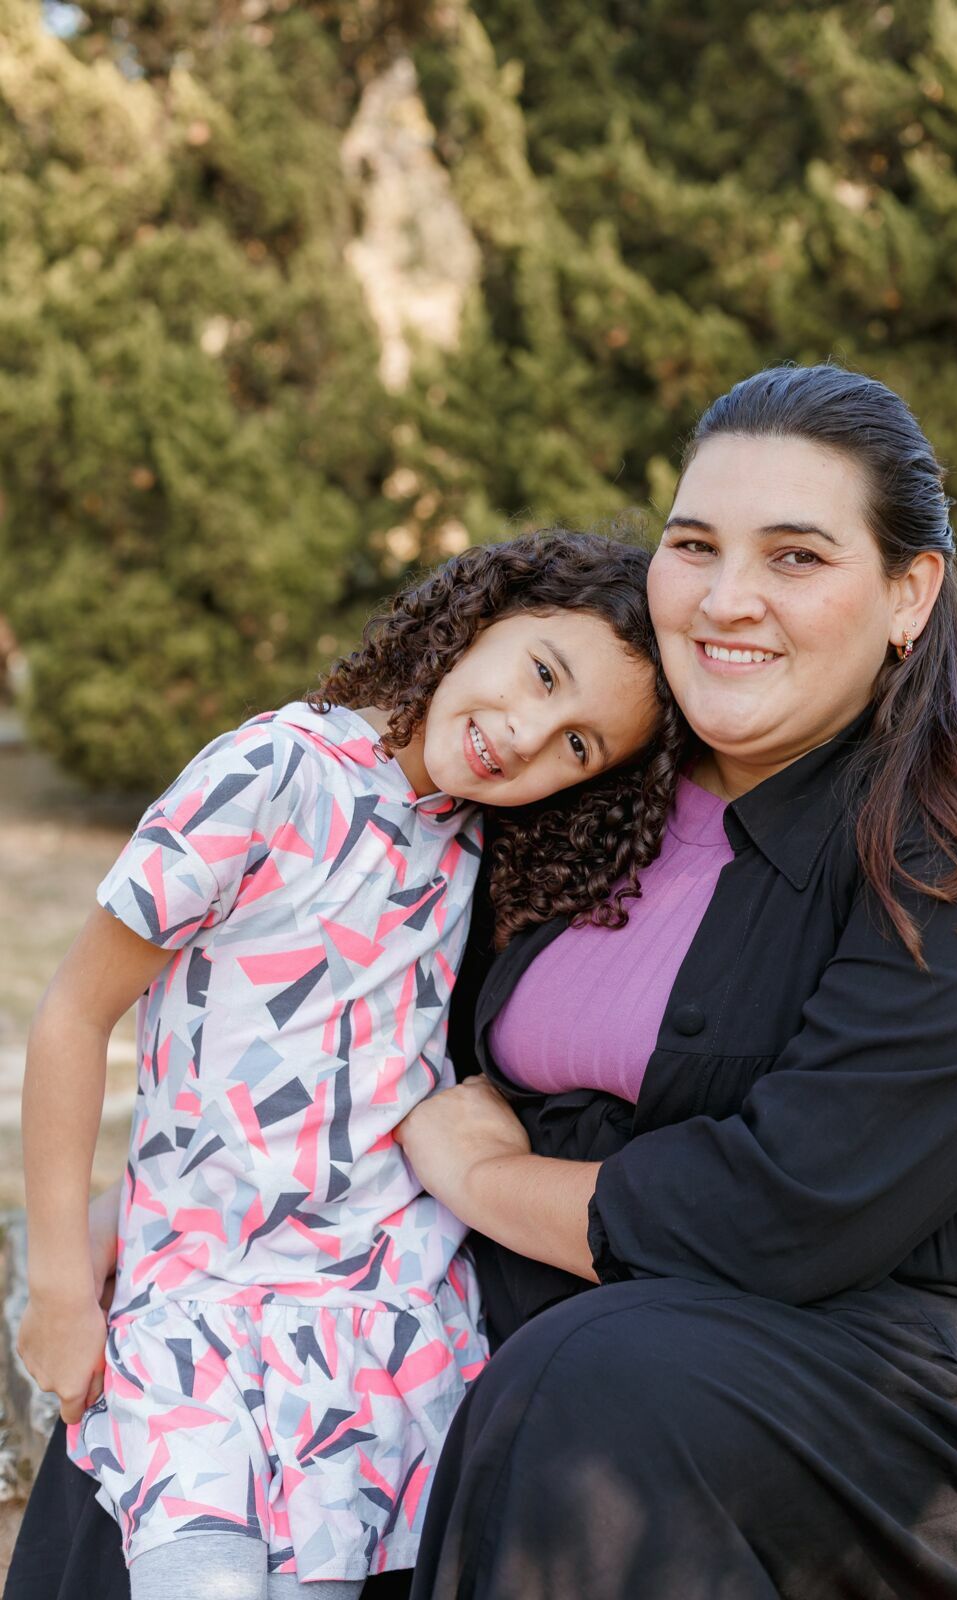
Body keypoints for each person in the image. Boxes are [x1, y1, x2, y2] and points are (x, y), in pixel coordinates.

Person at [392, 365, 957, 1598]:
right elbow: (395, 1025)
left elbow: (787, 1213)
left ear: (908, 593)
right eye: (692, 544)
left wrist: (483, 1177)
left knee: (598, 1380)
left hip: (930, 1369)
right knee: (232, 1348)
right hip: (611, 1301)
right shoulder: (600, 774)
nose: (723, 598)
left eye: (795, 557)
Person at [13, 529, 680, 1600]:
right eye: (542, 672)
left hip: (369, 1309)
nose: (527, 730)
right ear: (485, 609)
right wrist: (55, 1281)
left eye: (577, 745)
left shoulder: (467, 846)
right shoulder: (271, 772)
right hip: (202, 1298)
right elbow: (72, 1011)